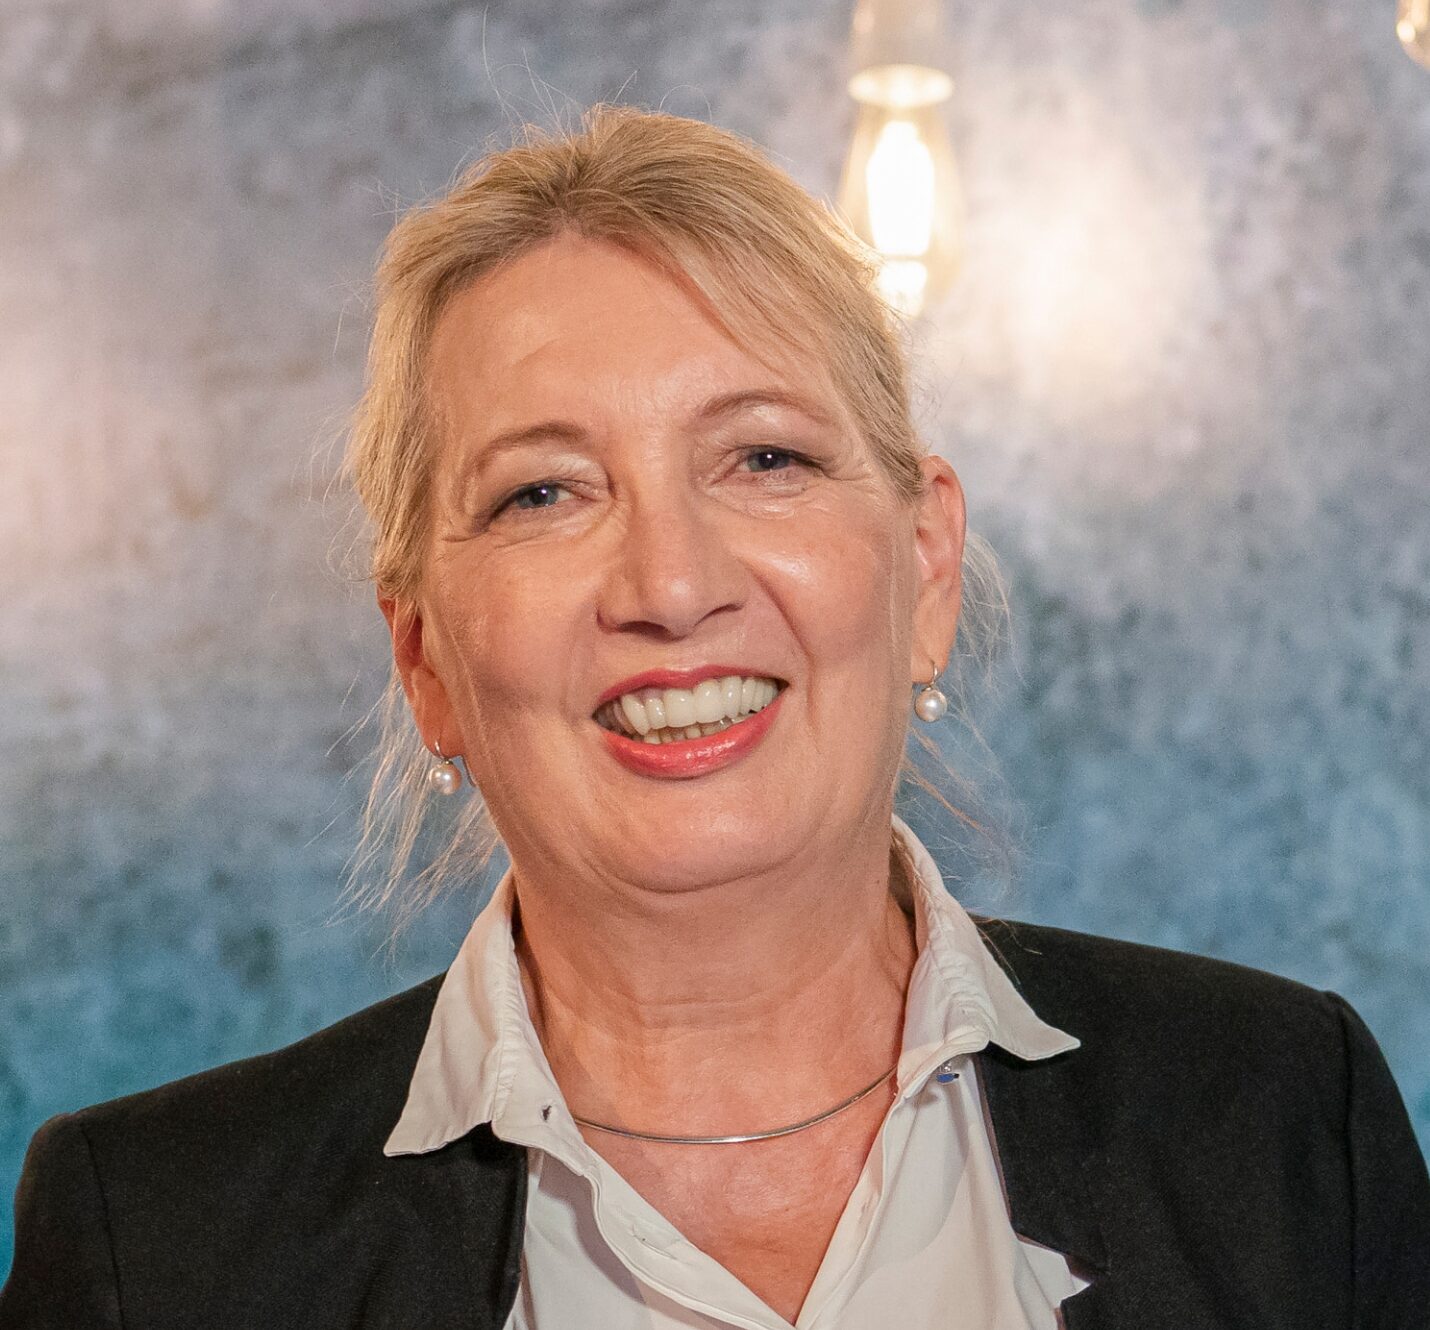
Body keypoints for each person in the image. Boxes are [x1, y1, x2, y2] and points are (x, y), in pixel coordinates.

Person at [2, 105, 1427, 1330]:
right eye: (542, 492)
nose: (671, 587)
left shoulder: (1290, 1116)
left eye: (764, 457)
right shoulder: (154, 1246)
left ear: (925, 566)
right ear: (423, 658)